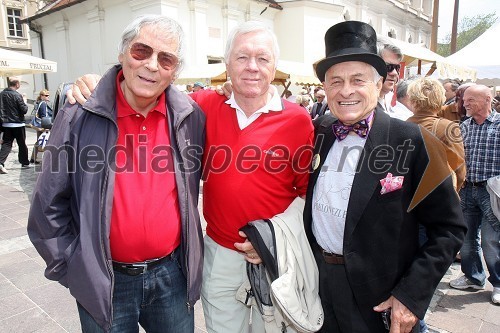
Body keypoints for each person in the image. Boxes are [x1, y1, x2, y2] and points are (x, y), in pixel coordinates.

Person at [66, 21, 314, 333]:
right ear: (226, 65)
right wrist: (94, 82)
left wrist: (273, 239)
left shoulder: (299, 119)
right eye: (241, 58)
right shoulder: (202, 107)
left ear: (274, 66)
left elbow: (306, 193)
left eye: (262, 59)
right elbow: (146, 87)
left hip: (276, 256)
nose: (252, 67)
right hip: (219, 255)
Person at [27, 15, 205, 332]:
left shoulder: (190, 116)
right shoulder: (80, 112)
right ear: (122, 53)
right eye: (141, 51)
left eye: (166, 59)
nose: (152, 65)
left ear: (175, 71)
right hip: (104, 281)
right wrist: (73, 268)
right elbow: (47, 204)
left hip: (171, 277)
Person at [304, 21, 466, 332]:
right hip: (319, 287)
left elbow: (448, 228)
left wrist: (410, 296)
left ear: (379, 84)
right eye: (335, 81)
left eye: (358, 80)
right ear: (325, 87)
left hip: (380, 299)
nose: (346, 90)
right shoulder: (319, 131)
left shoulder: (413, 140)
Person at [449, 84, 500, 305]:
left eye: (471, 100)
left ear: (488, 99)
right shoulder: (464, 126)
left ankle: (498, 283)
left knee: (491, 240)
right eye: (464, 99)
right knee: (467, 239)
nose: (465, 103)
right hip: (467, 189)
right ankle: (473, 277)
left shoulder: (498, 125)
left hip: (491, 191)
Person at [406, 76, 465, 191]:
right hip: (437, 196)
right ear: (440, 99)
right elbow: (459, 170)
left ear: (412, 100)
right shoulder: (447, 127)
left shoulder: (399, 125)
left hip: (406, 197)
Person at [0, 77, 30, 173]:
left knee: (7, 144)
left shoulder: (1, 94)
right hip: (18, 123)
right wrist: (25, 101)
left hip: (6, 123)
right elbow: (24, 110)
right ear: (17, 84)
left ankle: (0, 162)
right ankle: (24, 162)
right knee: (21, 143)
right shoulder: (17, 95)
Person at [377, 42, 403, 113]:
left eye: (397, 68)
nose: (394, 73)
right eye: (388, 67)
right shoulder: (364, 104)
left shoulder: (388, 98)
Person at [29, 89, 53, 164]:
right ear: (41, 96)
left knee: (39, 140)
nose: (48, 97)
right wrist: (46, 125)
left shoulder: (39, 102)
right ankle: (43, 158)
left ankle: (33, 158)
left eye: (48, 95)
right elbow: (43, 115)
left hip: (39, 124)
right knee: (45, 140)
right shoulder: (43, 103)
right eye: (46, 95)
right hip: (42, 125)